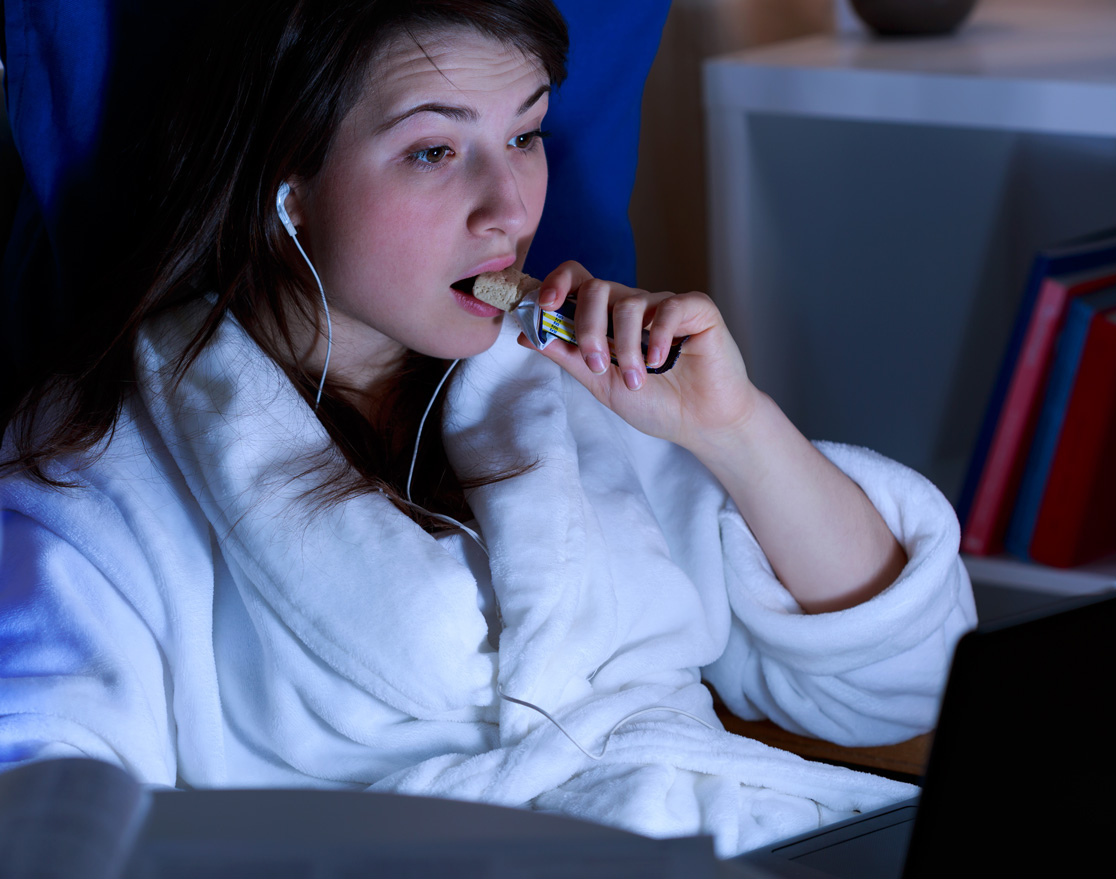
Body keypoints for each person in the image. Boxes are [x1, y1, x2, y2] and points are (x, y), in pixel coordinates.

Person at [0, 0, 976, 858]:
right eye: (434, 150)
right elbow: (46, 809)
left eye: (526, 135)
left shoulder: (569, 385)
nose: (509, 210)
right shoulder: (97, 465)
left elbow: (908, 694)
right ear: (285, 185)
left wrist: (736, 430)